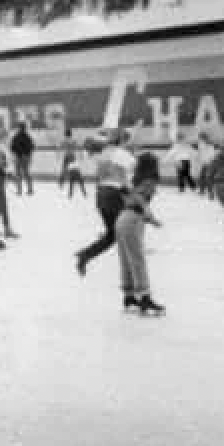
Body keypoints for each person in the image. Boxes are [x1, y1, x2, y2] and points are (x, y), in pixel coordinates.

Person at [74, 129, 136, 276]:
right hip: (113, 194)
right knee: (124, 230)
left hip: (101, 195)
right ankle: (132, 266)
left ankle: (85, 255)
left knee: (112, 234)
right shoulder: (122, 154)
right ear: (122, 141)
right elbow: (132, 173)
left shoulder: (103, 154)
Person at [115, 153, 165, 316]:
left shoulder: (134, 178)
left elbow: (123, 192)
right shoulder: (150, 180)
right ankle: (144, 298)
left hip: (121, 218)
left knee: (126, 260)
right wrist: (151, 217)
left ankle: (129, 297)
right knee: (137, 260)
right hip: (133, 220)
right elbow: (141, 201)